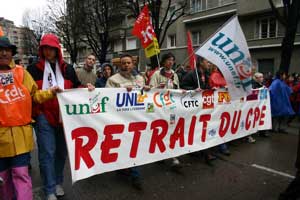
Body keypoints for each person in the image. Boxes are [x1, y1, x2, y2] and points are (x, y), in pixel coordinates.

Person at [27, 34, 93, 200]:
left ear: (57, 50)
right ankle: (49, 189)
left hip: (65, 117)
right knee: (47, 153)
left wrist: (87, 87)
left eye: (52, 48)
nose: (48, 51)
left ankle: (57, 182)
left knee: (62, 152)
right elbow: (31, 94)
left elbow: (77, 89)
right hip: (43, 116)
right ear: (41, 50)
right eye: (45, 48)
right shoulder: (33, 69)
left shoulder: (68, 69)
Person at [0, 35, 61, 200]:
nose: (4, 53)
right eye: (0, 50)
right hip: (1, 139)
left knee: (21, 174)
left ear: (12, 53)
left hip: (20, 136)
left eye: (7, 50)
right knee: (3, 179)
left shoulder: (21, 73)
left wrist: (51, 92)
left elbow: (35, 95)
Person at [106, 54, 149, 190]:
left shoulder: (140, 79)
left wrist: (148, 90)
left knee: (134, 146)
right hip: (120, 119)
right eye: (123, 63)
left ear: (133, 64)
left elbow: (145, 96)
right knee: (122, 145)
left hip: (136, 119)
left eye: (129, 63)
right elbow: (107, 98)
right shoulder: (113, 80)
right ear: (119, 65)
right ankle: (122, 167)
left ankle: (135, 175)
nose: (126, 65)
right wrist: (121, 91)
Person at [149, 52, 183, 171]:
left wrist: (182, 92)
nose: (170, 62)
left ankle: (174, 157)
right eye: (168, 60)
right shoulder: (157, 74)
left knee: (171, 130)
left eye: (172, 60)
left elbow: (177, 90)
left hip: (171, 109)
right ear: (163, 62)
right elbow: (150, 90)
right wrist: (159, 87)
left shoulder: (174, 74)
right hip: (159, 109)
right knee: (160, 131)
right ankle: (160, 154)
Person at [180, 57, 216, 164]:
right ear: (201, 63)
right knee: (194, 129)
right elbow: (183, 86)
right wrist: (193, 90)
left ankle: (204, 152)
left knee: (202, 128)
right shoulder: (192, 74)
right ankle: (202, 152)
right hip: (193, 107)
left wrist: (211, 89)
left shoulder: (206, 75)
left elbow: (207, 87)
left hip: (202, 107)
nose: (209, 64)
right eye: (207, 61)